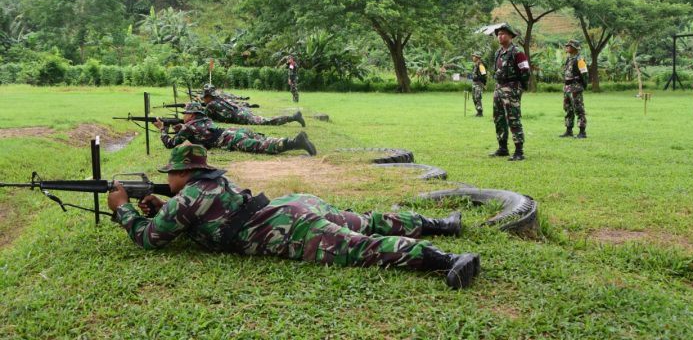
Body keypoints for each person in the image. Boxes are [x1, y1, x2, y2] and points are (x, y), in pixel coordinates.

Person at [107, 143, 481, 289]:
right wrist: (159, 209)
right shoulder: (211, 185)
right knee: (365, 220)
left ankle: (447, 260)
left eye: (169, 173)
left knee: (362, 248)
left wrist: (122, 207)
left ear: (183, 173)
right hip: (294, 207)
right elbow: (202, 222)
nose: (166, 179)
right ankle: (444, 224)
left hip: (291, 229)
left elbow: (150, 239)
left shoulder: (188, 196)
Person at [154, 102, 316, 156]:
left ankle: (295, 142)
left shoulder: (189, 126)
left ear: (191, 114)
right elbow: (198, 132)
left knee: (261, 146)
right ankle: (297, 140)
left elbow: (170, 144)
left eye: (185, 114)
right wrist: (180, 127)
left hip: (229, 138)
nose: (183, 116)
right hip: (234, 131)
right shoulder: (203, 119)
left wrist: (162, 129)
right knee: (262, 139)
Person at [489, 23, 530, 161]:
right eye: (498, 34)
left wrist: (519, 88)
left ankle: (519, 151)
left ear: (511, 36)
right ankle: (503, 148)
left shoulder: (517, 52)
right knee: (498, 118)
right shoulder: (498, 53)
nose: (500, 36)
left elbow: (525, 71)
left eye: (503, 34)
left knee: (513, 118)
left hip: (512, 87)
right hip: (499, 87)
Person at [202, 85, 305, 127]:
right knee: (265, 120)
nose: (204, 99)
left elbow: (203, 118)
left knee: (267, 121)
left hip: (241, 116)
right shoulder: (219, 99)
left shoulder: (211, 105)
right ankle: (293, 117)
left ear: (208, 96)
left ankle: (294, 117)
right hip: (242, 112)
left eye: (204, 97)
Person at [559, 40, 589, 138]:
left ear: (575, 48)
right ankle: (569, 130)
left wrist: (583, 86)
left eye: (569, 46)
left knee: (579, 109)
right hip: (567, 88)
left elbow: (584, 74)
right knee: (568, 109)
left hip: (576, 87)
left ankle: (582, 132)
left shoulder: (580, 59)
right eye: (567, 45)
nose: (567, 47)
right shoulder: (569, 59)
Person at [470, 52, 488, 117]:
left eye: (474, 56)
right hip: (474, 83)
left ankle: (480, 112)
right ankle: (478, 111)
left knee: (478, 97)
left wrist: (484, 84)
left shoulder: (480, 65)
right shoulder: (476, 64)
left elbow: (484, 74)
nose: (473, 57)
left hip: (479, 83)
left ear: (477, 57)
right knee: (474, 97)